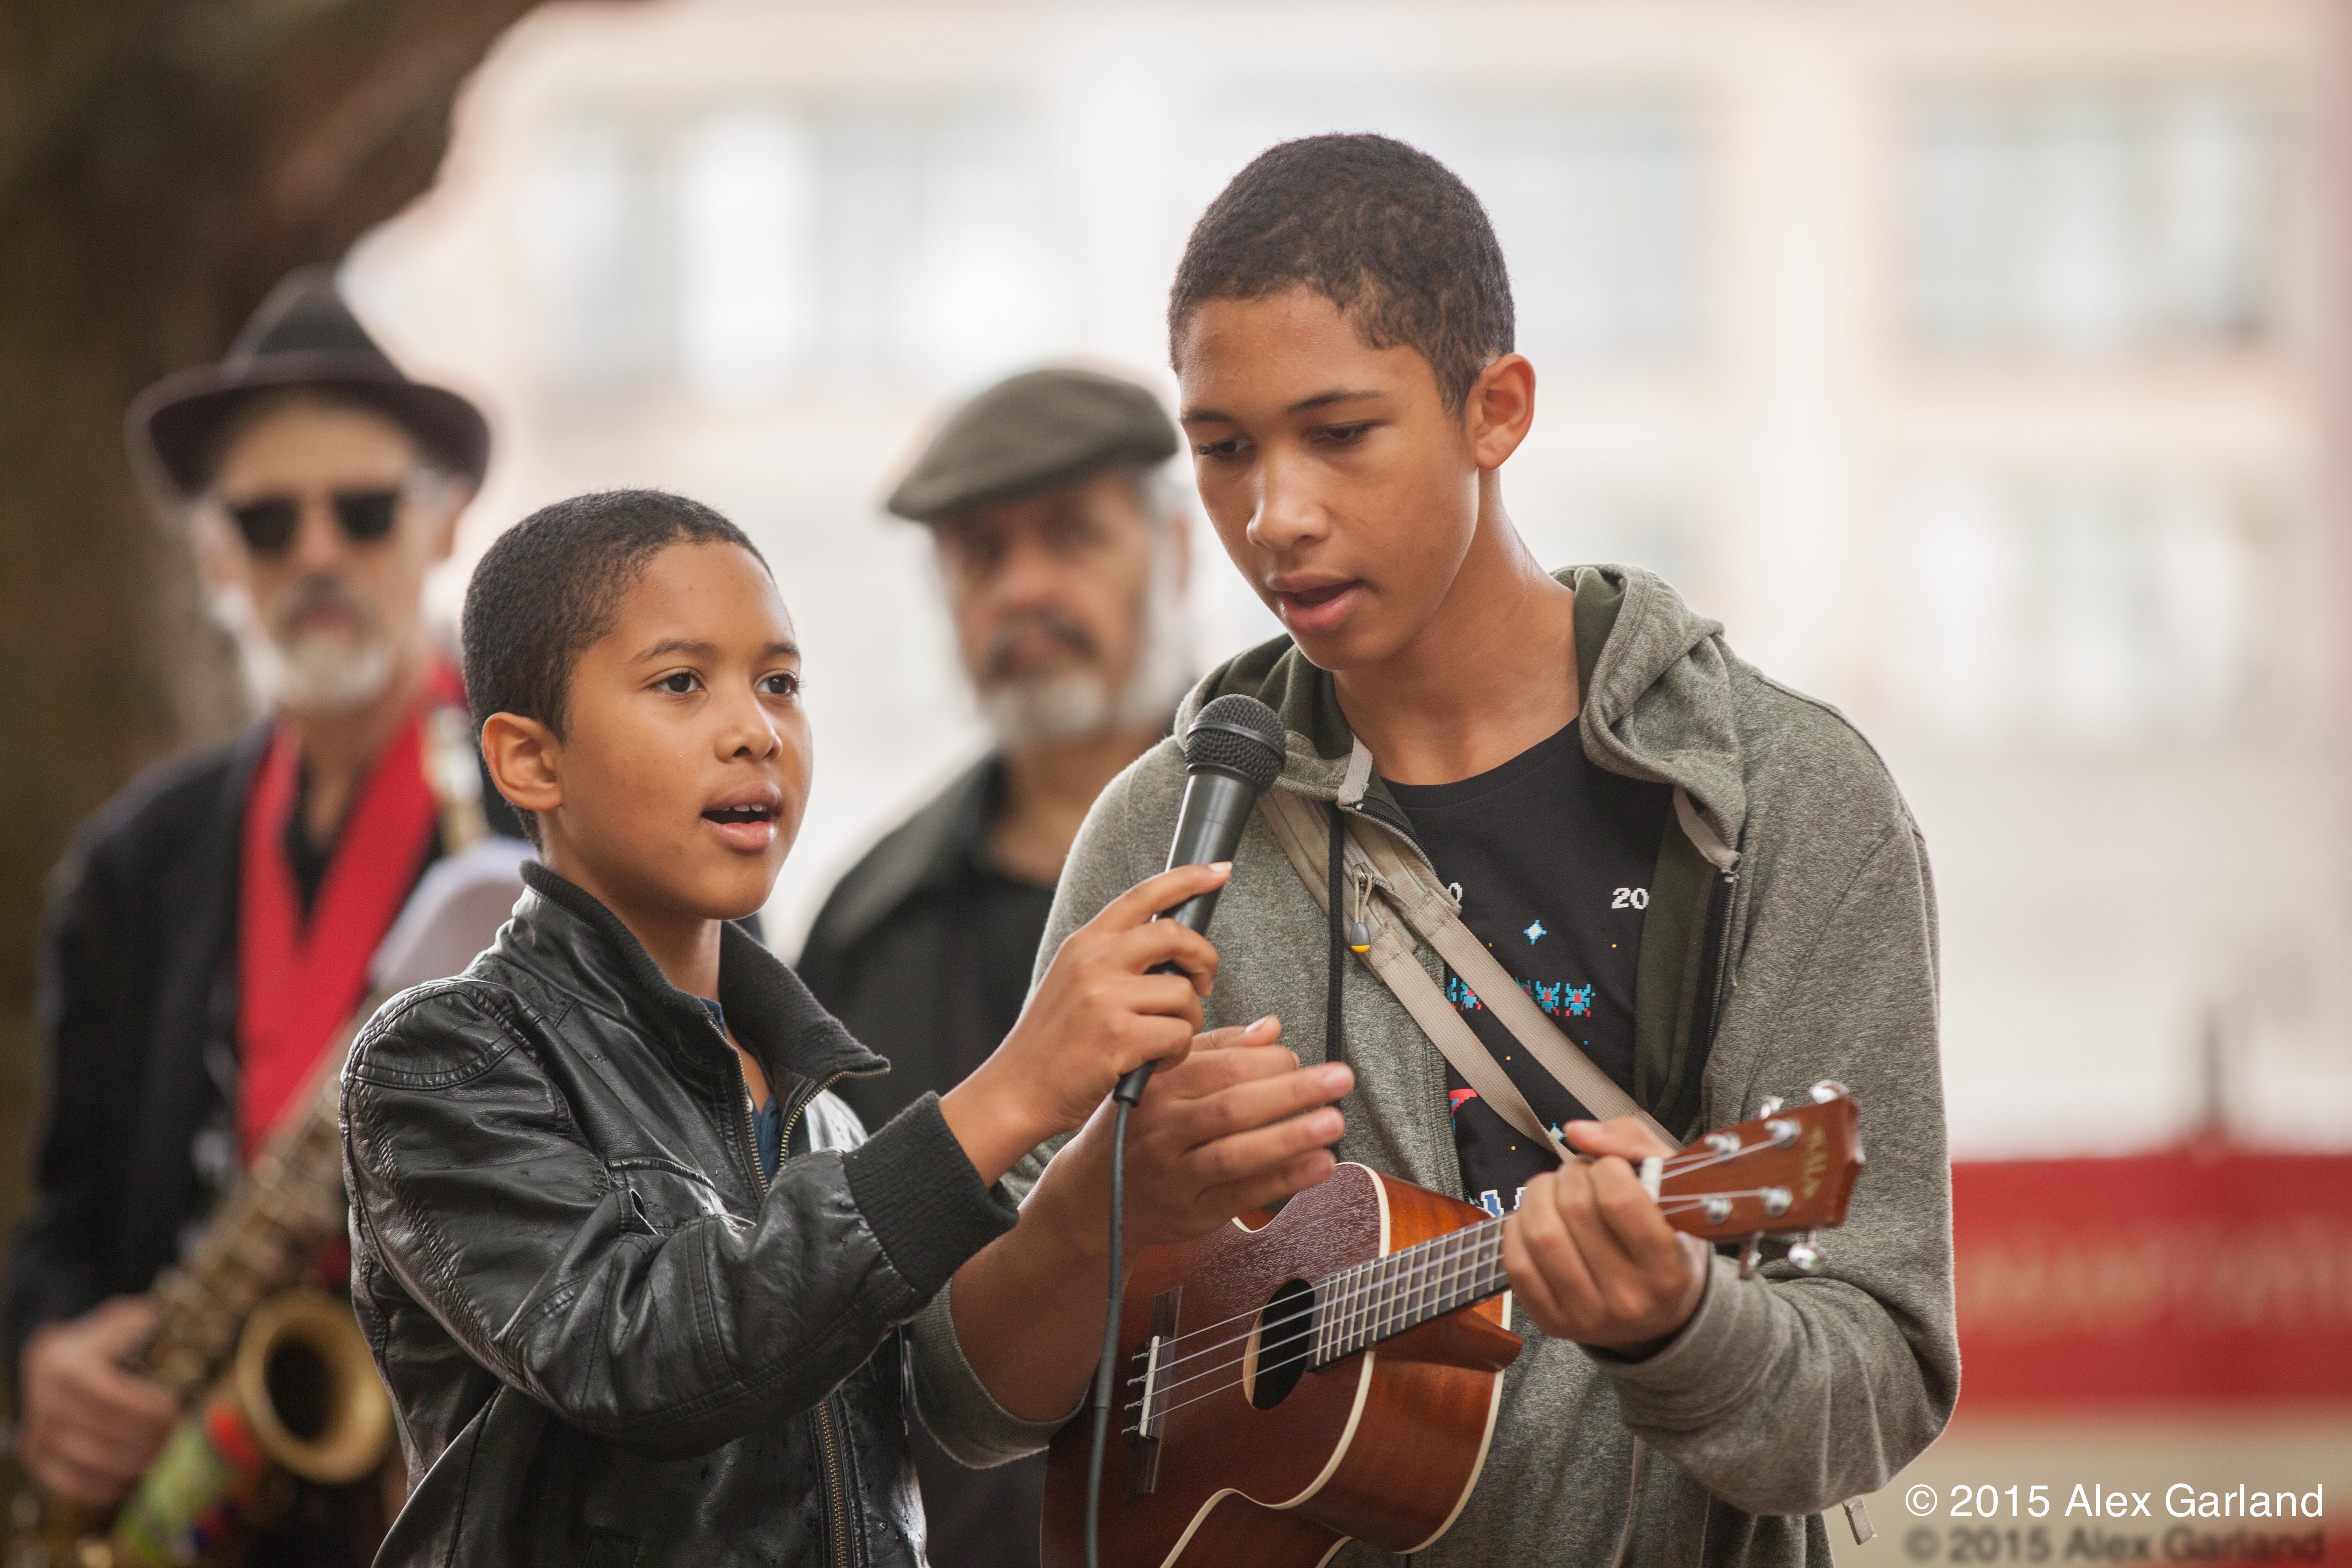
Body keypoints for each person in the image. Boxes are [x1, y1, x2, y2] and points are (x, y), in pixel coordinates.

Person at [922, 134, 1960, 1565]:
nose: (1274, 517)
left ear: (1496, 410)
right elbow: (963, 1400)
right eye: (1223, 451)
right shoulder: (1168, 823)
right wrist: (1096, 1209)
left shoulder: (1782, 799)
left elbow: (1876, 1394)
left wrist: (1680, 1327)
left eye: (1340, 434)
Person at [340, 490, 1354, 1565]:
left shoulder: (816, 1111)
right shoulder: (445, 1059)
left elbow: (943, 1420)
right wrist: (1011, 1093)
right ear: (529, 762)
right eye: (681, 683)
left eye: (779, 682)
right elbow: (638, 1353)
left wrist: (1111, 1187)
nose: (755, 730)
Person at [5, 269, 522, 1563]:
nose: (319, 555)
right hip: (191, 1494)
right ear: (215, 554)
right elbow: (64, 1228)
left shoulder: (556, 830)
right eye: (267, 521)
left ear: (445, 525)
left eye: (365, 510)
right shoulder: (129, 867)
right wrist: (43, 1353)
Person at [797, 367, 1191, 1567]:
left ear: (1175, 551)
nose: (1023, 589)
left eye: (1071, 536)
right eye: (980, 556)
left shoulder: (1328, 846)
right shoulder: (866, 926)